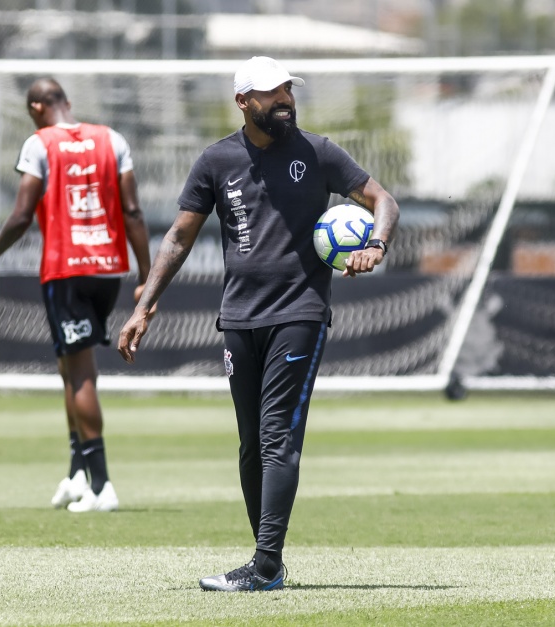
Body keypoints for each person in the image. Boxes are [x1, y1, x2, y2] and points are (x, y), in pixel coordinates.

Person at [117, 57, 399, 590]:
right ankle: (265, 562)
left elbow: (383, 201)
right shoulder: (216, 160)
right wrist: (143, 306)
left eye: (288, 89)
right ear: (244, 102)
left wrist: (377, 244)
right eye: (272, 93)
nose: (284, 99)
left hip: (300, 312)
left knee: (277, 438)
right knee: (252, 444)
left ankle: (266, 564)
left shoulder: (317, 152)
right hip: (239, 319)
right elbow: (179, 237)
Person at [0, 78, 153, 513]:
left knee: (80, 372)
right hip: (108, 269)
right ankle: (76, 474)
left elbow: (19, 216)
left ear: (36, 108)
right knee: (70, 368)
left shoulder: (39, 144)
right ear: (66, 103)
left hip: (66, 269)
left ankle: (102, 484)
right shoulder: (112, 138)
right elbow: (133, 211)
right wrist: (146, 275)